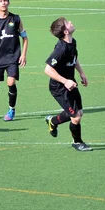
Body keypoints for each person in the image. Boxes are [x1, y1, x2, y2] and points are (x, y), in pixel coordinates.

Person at [44, 17, 92, 152]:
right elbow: (48, 69)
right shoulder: (60, 49)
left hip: (71, 83)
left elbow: (74, 59)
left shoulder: (72, 42)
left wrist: (82, 73)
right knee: (76, 117)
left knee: (79, 113)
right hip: (59, 88)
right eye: (68, 23)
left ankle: (53, 121)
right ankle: (77, 143)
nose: (71, 22)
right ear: (65, 31)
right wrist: (65, 81)